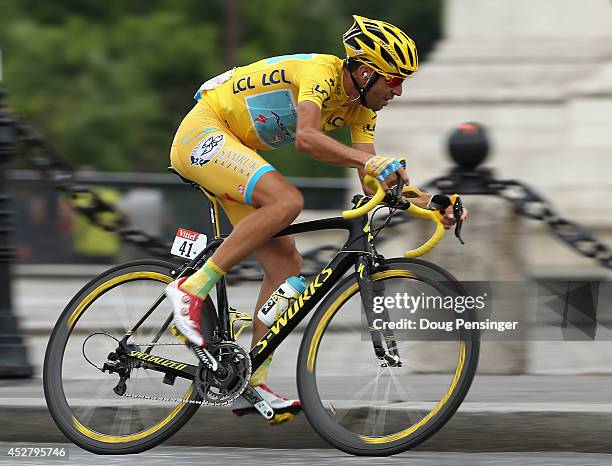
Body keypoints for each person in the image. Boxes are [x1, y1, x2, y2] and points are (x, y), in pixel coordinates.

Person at [165, 15, 467, 418]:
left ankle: (249, 381)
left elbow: (369, 180)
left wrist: (431, 202)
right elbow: (308, 138)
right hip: (204, 132)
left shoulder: (361, 109)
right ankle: (191, 289)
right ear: (364, 72)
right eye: (393, 80)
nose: (398, 90)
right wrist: (374, 161)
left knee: (287, 265)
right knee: (287, 201)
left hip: (235, 148)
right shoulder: (319, 74)